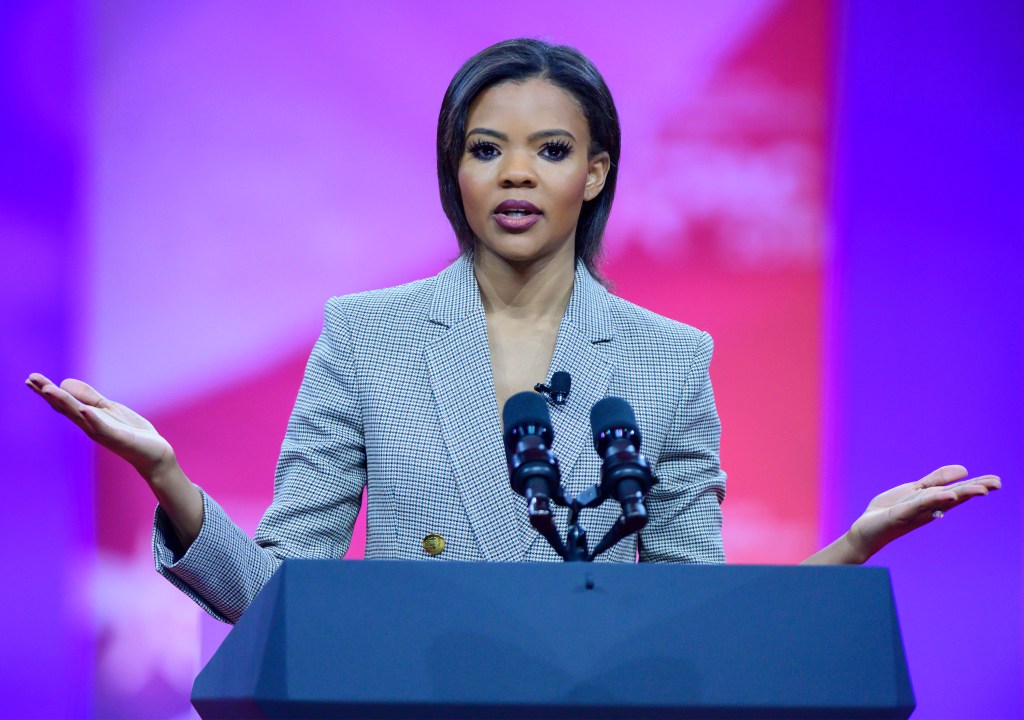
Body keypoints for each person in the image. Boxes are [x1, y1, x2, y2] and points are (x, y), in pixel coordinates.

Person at [26, 39, 999, 624]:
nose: (517, 173)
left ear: (598, 173)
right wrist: (168, 481)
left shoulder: (668, 358)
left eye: (551, 150)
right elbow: (282, 602)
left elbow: (692, 617)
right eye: (486, 149)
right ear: (455, 171)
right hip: (405, 706)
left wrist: (851, 547)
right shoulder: (365, 335)